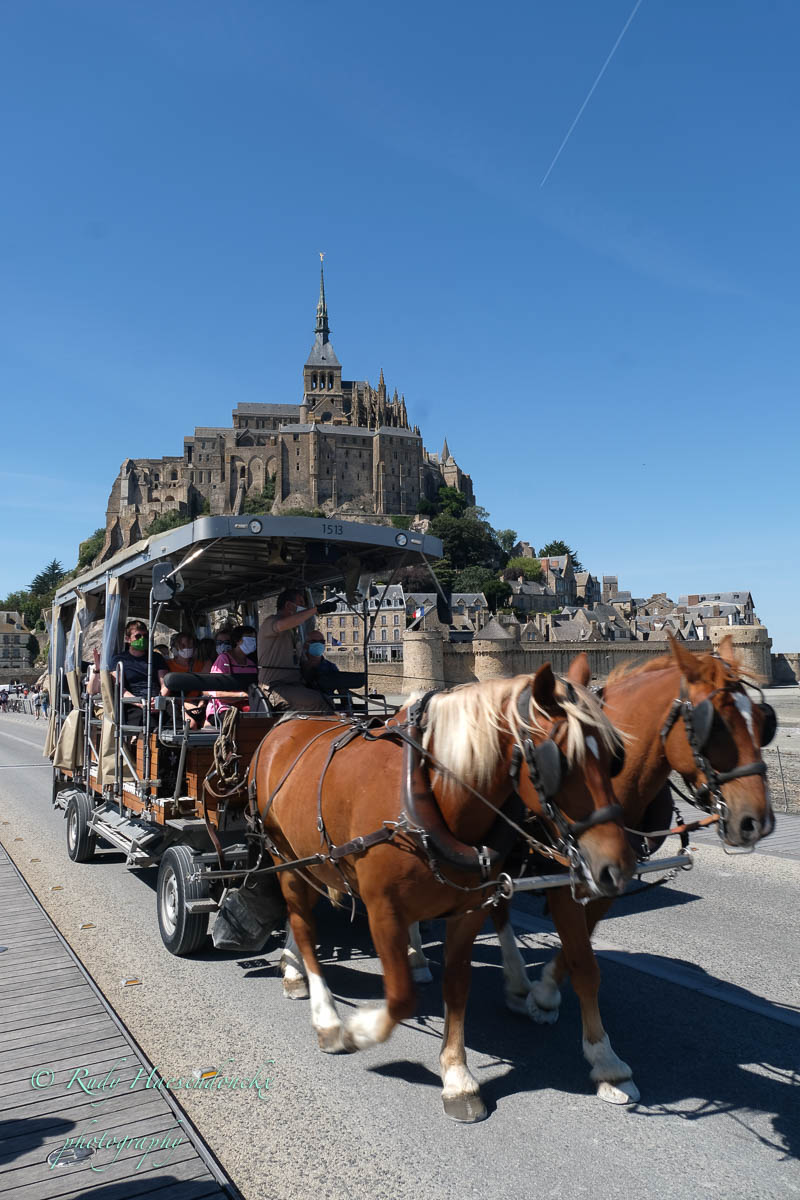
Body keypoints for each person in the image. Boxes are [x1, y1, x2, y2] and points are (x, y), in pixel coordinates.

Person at [256, 587, 337, 713]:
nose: (304, 607)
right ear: (289, 605)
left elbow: (302, 664)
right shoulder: (271, 622)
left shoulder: (294, 632)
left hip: (295, 685)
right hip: (274, 687)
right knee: (321, 702)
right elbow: (281, 625)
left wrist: (317, 665)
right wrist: (315, 610)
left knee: (329, 697)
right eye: (301, 603)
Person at [88, 620, 168, 728]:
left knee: (178, 719)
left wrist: (159, 700)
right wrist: (141, 703)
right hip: (134, 703)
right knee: (148, 722)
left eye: (145, 636)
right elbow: (120, 688)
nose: (142, 639)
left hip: (157, 700)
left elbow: (165, 684)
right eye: (138, 636)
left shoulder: (156, 658)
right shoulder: (119, 660)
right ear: (128, 639)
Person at [207, 625, 258, 725]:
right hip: (222, 709)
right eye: (249, 638)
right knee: (240, 722)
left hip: (247, 707)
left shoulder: (251, 664)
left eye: (254, 638)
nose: (253, 641)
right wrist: (242, 695)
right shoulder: (224, 659)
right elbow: (218, 694)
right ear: (237, 641)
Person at [162, 632, 212, 730]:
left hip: (198, 704)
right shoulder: (167, 665)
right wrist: (184, 704)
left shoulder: (201, 665)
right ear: (176, 647)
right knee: (191, 725)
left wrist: (202, 702)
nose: (187, 648)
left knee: (209, 727)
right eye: (183, 645)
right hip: (176, 705)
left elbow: (204, 687)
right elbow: (166, 693)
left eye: (190, 645)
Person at [300, 631, 346, 709]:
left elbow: (342, 689)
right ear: (305, 645)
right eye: (314, 641)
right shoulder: (296, 666)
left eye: (322, 642)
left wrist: (347, 707)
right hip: (302, 707)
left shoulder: (331, 667)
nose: (318, 644)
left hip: (326, 707)